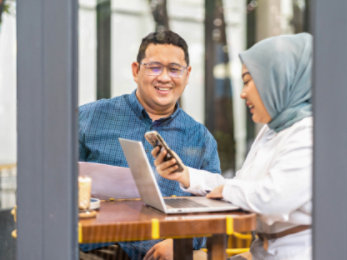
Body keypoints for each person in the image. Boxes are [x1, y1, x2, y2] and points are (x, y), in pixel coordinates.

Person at [153, 33, 313, 260]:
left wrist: (228, 191)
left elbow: (273, 199)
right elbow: (243, 186)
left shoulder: (308, 132)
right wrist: (185, 174)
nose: (242, 93)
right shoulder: (272, 130)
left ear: (279, 80)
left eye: (248, 81)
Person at [79, 30, 220, 260]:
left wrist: (182, 241)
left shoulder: (200, 139)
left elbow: (214, 212)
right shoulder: (90, 118)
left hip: (162, 254)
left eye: (174, 69)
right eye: (154, 67)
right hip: (97, 249)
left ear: (187, 75)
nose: (164, 78)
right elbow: (60, 186)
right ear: (136, 71)